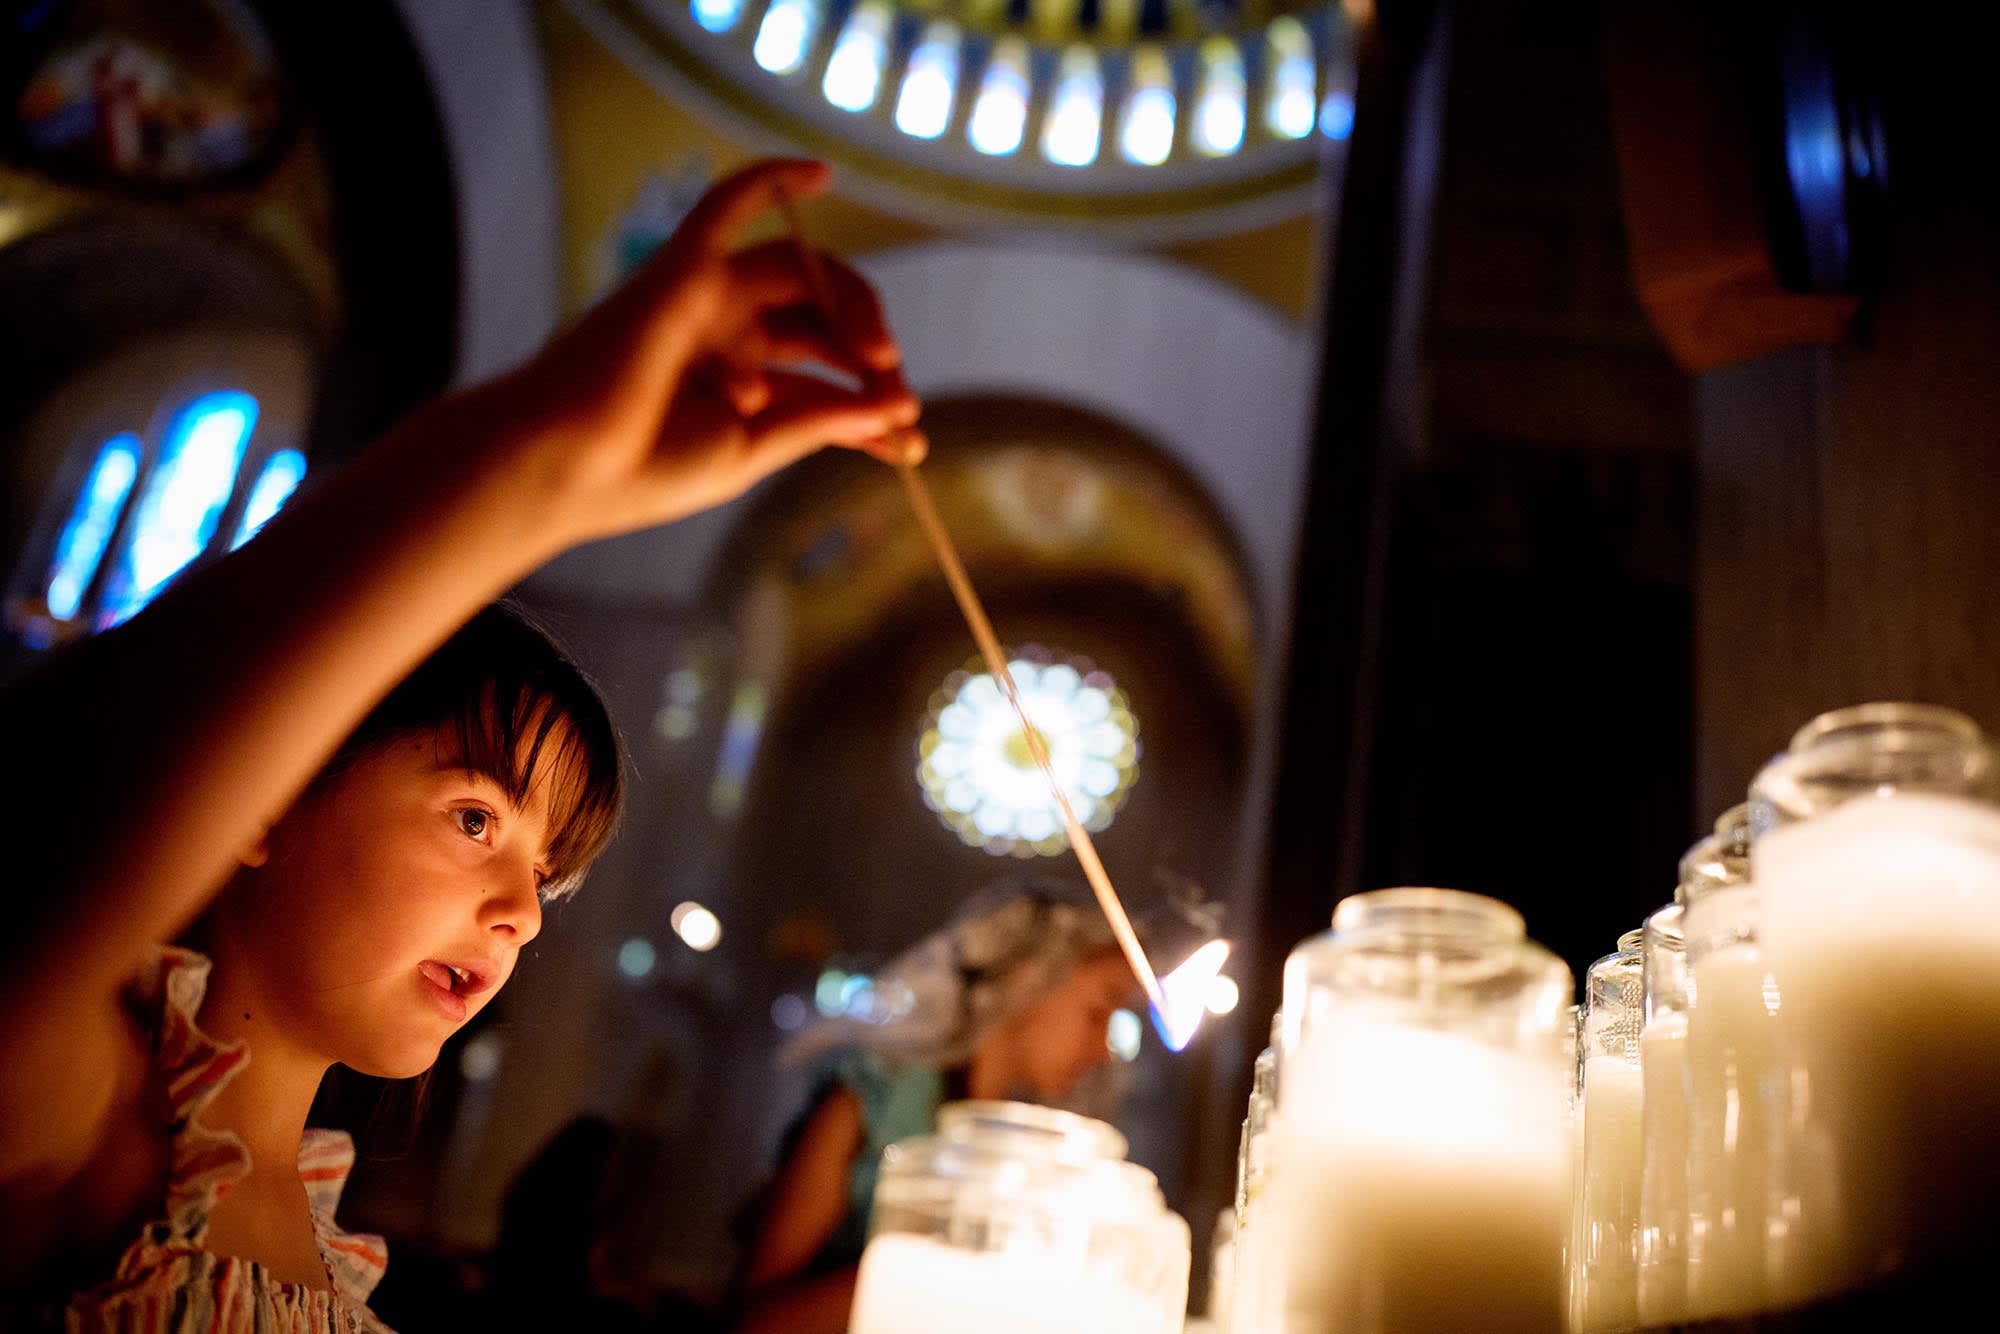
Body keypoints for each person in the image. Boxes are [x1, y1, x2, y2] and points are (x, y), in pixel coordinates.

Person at [0, 159, 922, 1331]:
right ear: (264, 794)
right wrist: (538, 462)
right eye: (475, 819)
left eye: (547, 873)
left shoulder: (340, 1259)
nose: (524, 914)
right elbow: (85, 771)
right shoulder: (82, 1124)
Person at [733, 885, 1140, 1334]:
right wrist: (948, 1261)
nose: (1104, 1050)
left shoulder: (1022, 1147)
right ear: (1030, 981)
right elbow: (759, 1322)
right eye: (1097, 1012)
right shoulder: (871, 1102)